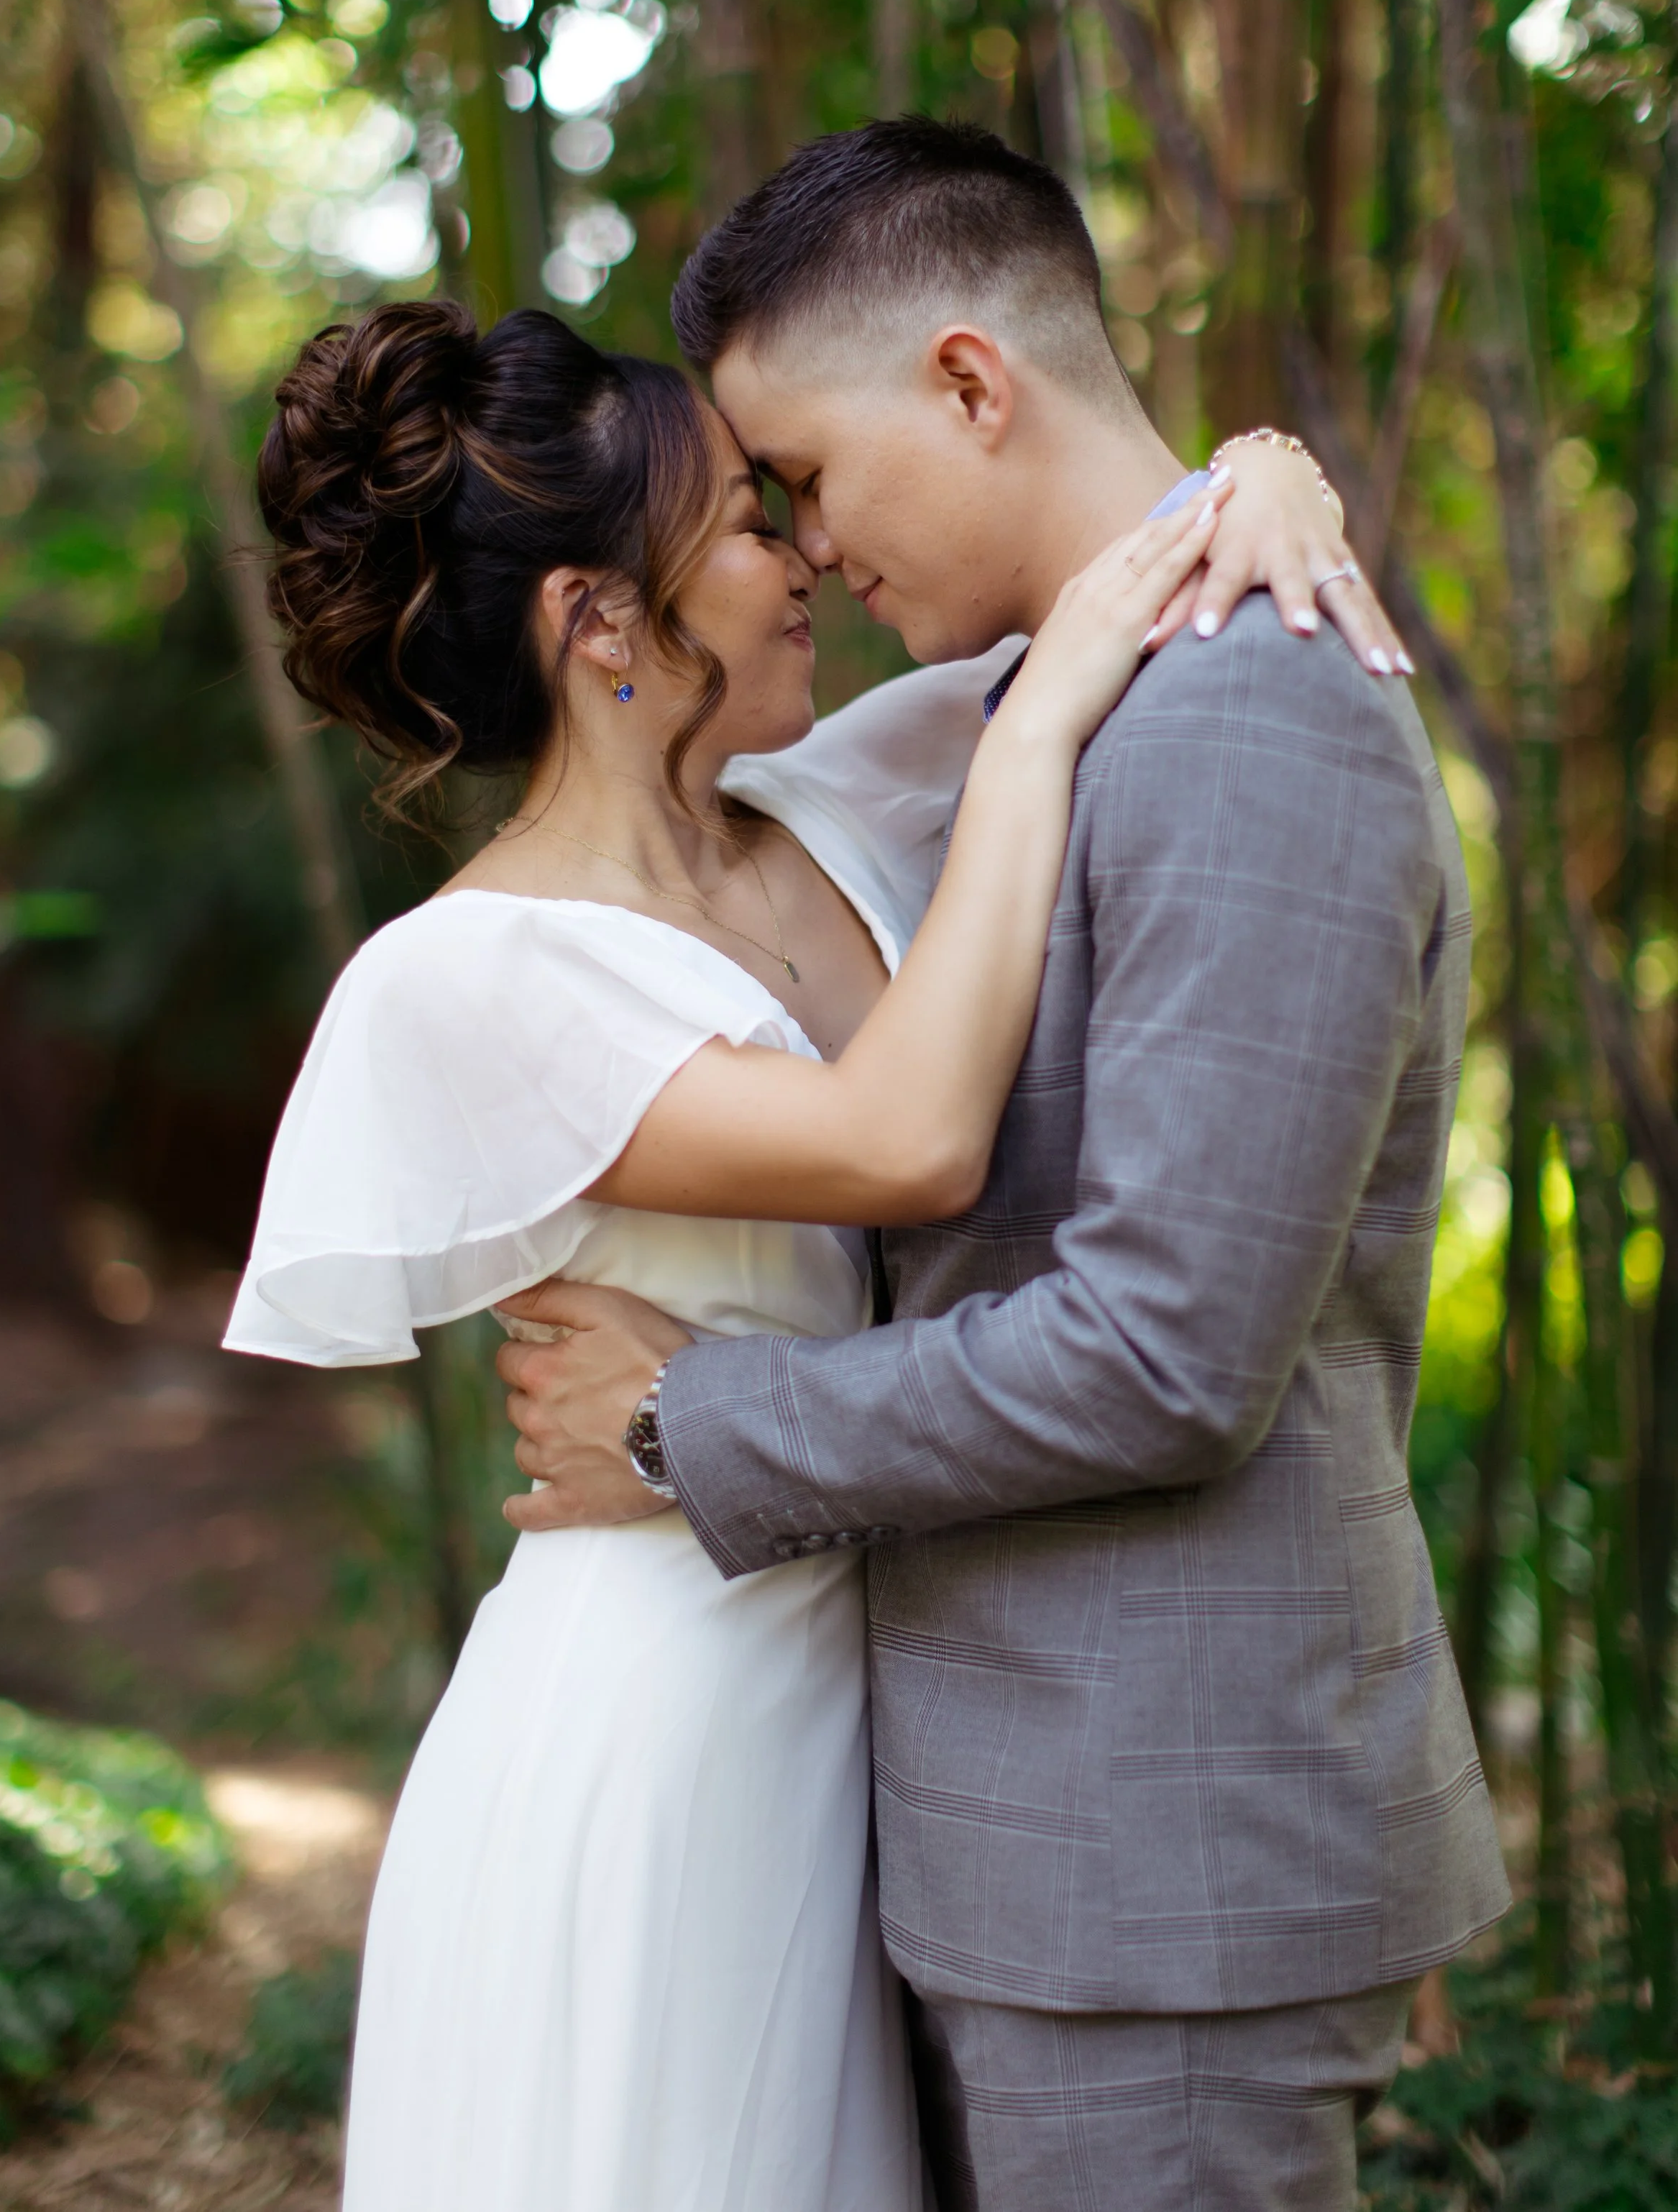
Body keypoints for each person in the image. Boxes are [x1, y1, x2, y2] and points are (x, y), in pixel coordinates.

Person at [222, 209, 1390, 2212]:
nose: (807, 557)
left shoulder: (844, 799)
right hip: (660, 1738)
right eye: (751, 524)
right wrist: (1032, 727)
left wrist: (1268, 469)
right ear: (601, 623)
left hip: (917, 1724)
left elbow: (1129, 544)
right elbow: (902, 1142)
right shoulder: (466, 976)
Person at [491, 119, 1512, 2212]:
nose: (800, 539)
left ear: (967, 381)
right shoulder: (1055, 704)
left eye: (804, 473)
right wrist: (1257, 459)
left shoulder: (1255, 718)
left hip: (1159, 1867)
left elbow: (1165, 1347)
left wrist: (692, 1417)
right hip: (1041, 1842)